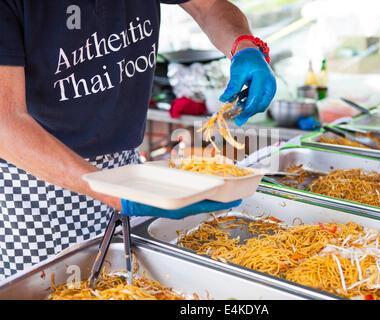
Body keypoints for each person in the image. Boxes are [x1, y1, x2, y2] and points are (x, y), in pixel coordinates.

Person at [0, 0, 277, 280]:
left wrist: (243, 45)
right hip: (35, 192)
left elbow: (209, 6)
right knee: (55, 289)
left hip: (126, 172)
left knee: (125, 288)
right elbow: (5, 122)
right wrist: (110, 192)